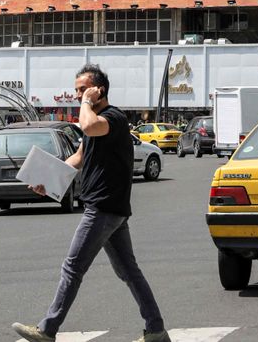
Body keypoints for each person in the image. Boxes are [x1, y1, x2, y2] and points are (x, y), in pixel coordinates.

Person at [12, 64, 170, 342]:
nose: (78, 95)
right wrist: (46, 180)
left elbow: (88, 125)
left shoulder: (114, 118)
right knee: (129, 272)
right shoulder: (94, 123)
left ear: (100, 90)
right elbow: (79, 157)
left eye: (83, 90)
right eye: (76, 90)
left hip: (103, 207)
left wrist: (86, 103)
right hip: (111, 210)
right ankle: (155, 329)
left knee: (72, 268)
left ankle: (47, 330)